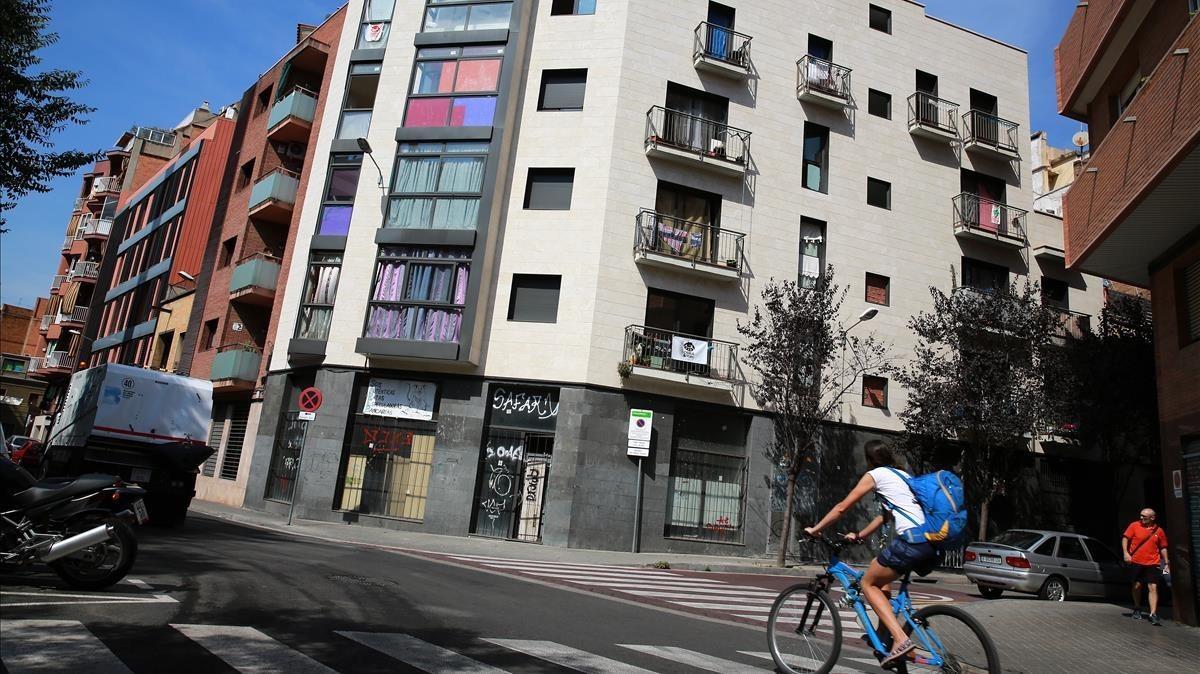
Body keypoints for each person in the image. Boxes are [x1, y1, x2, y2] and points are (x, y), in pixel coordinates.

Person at [804, 440, 935, 668]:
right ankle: (885, 637)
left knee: (867, 583)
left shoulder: (876, 475)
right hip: (930, 541)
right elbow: (884, 517)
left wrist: (816, 529)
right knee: (879, 569)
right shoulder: (902, 476)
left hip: (911, 541)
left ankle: (901, 640)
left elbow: (842, 507)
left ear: (870, 459)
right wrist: (860, 534)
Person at [1122, 508, 1169, 626]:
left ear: (1152, 518)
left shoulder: (1159, 531)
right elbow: (1125, 538)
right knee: (1137, 585)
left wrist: (1167, 562)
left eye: (1144, 516)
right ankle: (1137, 607)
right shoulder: (1134, 525)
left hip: (1153, 562)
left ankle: (1153, 614)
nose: (1141, 518)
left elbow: (1163, 547)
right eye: (1141, 516)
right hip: (1136, 561)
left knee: (1153, 587)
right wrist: (1126, 553)